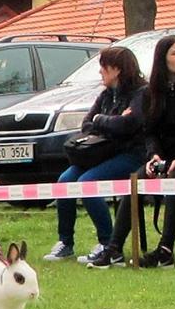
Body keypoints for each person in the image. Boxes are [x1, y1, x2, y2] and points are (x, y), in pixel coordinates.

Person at [90, 35, 175, 269]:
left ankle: (166, 250)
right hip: (164, 157)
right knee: (136, 181)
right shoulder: (151, 93)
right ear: (162, 59)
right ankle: (114, 249)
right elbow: (150, 132)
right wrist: (153, 156)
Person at [43, 47, 147, 265]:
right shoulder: (106, 95)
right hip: (101, 153)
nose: (100, 72)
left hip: (131, 154)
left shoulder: (141, 94)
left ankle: (108, 244)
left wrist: (105, 121)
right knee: (65, 181)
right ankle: (65, 242)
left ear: (116, 69)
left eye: (104, 67)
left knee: (87, 183)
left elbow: (130, 124)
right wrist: (109, 120)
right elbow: (87, 124)